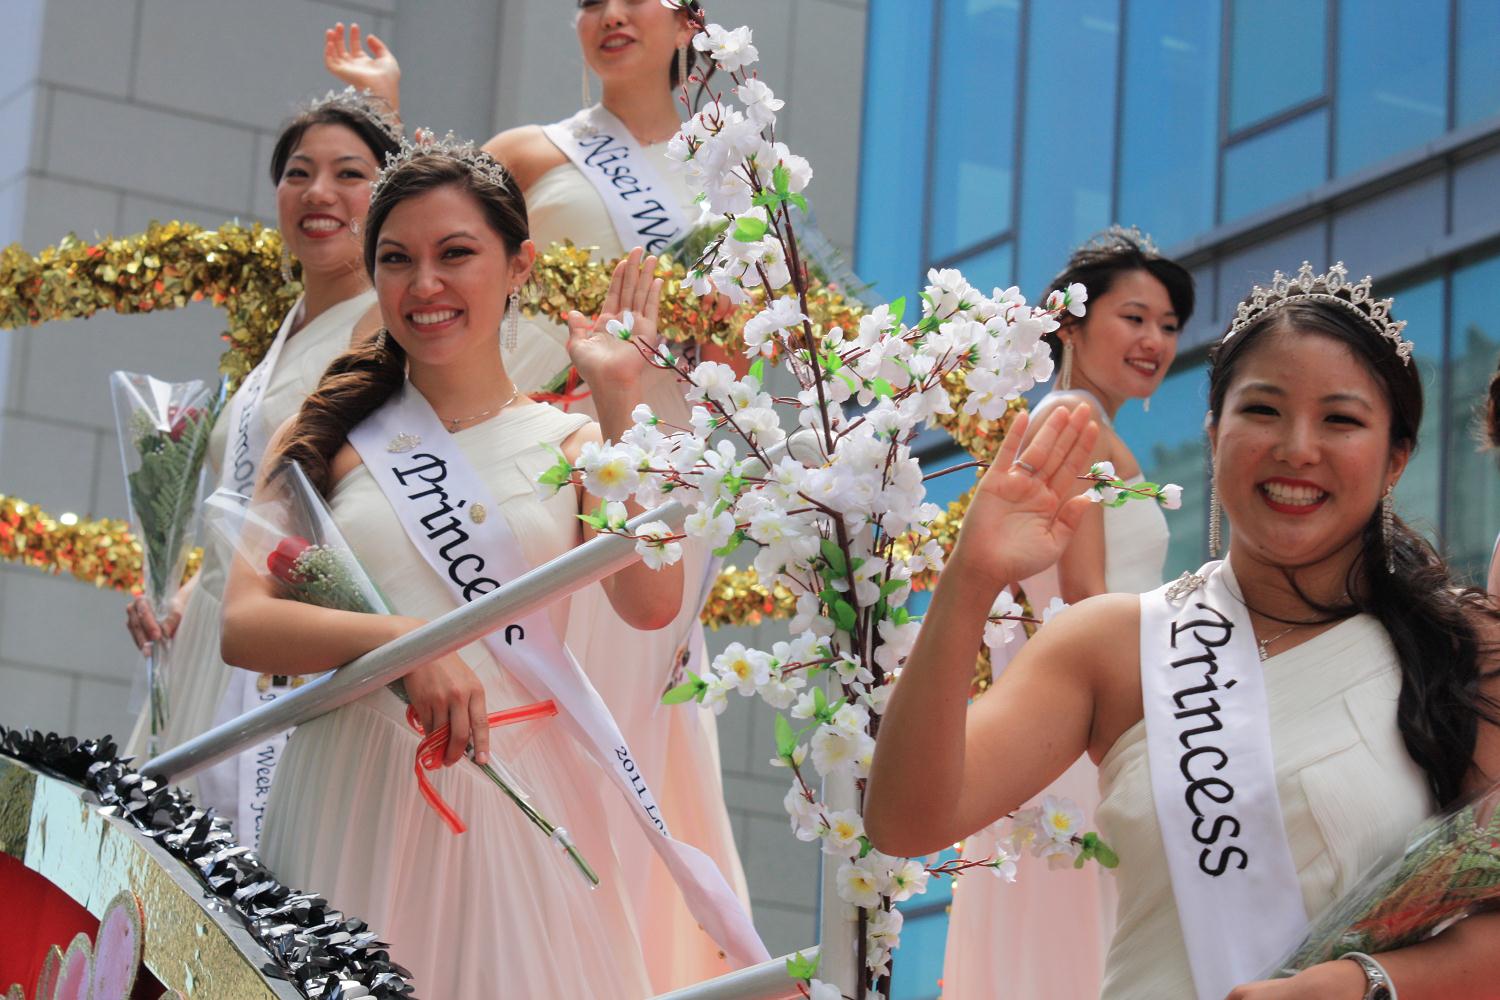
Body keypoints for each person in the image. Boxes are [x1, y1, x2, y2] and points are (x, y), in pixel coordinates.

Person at [868, 264, 1500, 999]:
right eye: (1262, 411)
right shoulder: (1115, 643)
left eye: (1341, 420)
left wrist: (1364, 986)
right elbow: (906, 821)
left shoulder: (1463, 648)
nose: (1297, 448)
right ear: (1213, 430)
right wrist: (969, 579)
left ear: (1396, 459)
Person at [219, 137, 716, 997]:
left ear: (518, 264)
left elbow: (651, 599)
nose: (425, 286)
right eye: (396, 260)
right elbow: (245, 626)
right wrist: (409, 645)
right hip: (348, 789)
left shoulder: (577, 443)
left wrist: (618, 395)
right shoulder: (330, 433)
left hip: (512, 793)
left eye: (456, 255)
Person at [320, 8, 751, 989]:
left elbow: (752, 355)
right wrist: (383, 114)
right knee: (524, 723)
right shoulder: (533, 151)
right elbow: (433, 233)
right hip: (504, 476)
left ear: (690, 19)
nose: (606, 15)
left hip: (640, 474)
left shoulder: (742, 180)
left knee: (628, 738)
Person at [122, 90, 399, 842]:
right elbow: (241, 493)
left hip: (283, 638)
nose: (318, 194)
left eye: (350, 174)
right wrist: (178, 594)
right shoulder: (282, 335)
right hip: (208, 638)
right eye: (298, 173)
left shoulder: (386, 325)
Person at [943, 228, 1194, 1000]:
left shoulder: (1072, 422)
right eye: (1135, 317)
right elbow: (1087, 596)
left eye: (1170, 325)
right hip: (1091, 724)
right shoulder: (1076, 426)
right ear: (1072, 327)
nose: (1155, 340)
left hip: (1054, 721)